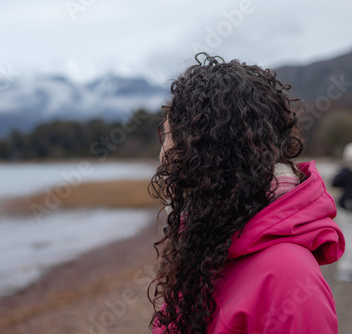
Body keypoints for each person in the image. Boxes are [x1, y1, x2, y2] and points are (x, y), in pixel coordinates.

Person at [148, 53, 345, 334]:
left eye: (167, 136)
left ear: (205, 151)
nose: (162, 155)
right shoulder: (204, 247)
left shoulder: (287, 277)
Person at [333, 142, 352, 282]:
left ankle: (346, 268)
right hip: (346, 208)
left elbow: (335, 182)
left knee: (347, 236)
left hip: (346, 208)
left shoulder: (345, 172)